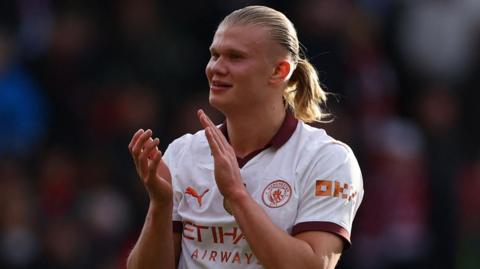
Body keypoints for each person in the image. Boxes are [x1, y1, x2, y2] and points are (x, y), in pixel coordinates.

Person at [127, 5, 363, 269]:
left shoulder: (327, 159)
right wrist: (160, 205)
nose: (216, 67)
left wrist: (236, 196)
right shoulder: (183, 153)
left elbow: (312, 266)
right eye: (214, 55)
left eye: (235, 57)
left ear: (279, 71)